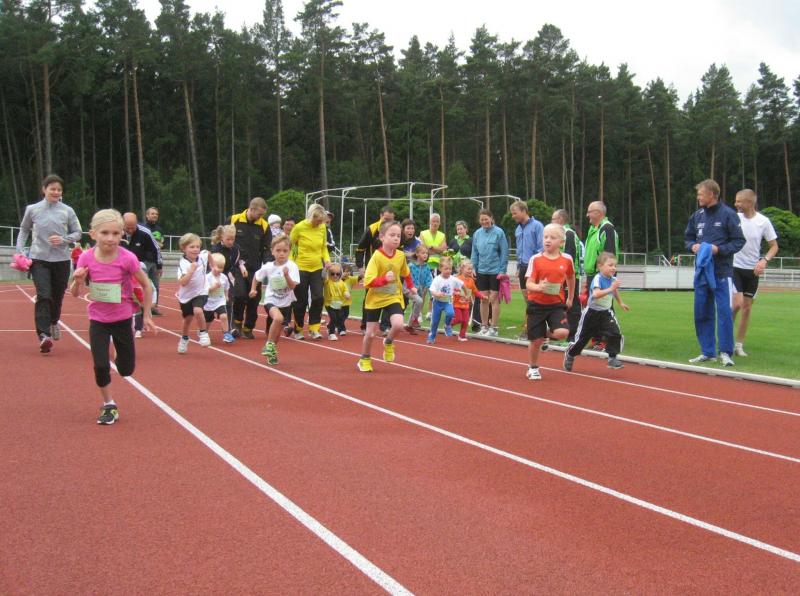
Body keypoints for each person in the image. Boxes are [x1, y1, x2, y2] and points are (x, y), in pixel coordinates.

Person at [69, 209, 154, 425]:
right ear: (93, 234)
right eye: (105, 233)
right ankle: (109, 404)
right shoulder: (86, 258)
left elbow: (147, 285)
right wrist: (77, 281)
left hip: (122, 319)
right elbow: (75, 293)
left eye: (116, 233)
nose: (110, 238)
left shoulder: (128, 258)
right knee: (100, 365)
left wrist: (146, 316)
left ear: (122, 234)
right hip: (98, 320)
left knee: (126, 369)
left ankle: (118, 352)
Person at [16, 174, 83, 353]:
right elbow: (24, 230)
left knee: (57, 296)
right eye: (52, 189)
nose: (56, 192)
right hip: (39, 259)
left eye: (59, 189)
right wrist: (20, 251)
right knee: (44, 295)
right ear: (44, 189)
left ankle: (54, 322)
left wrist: (63, 239)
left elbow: (78, 233)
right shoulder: (32, 209)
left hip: (61, 260)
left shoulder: (67, 210)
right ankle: (44, 335)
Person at [684, 179, 746, 366]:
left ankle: (725, 352)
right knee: (701, 311)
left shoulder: (728, 214)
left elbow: (739, 241)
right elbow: (688, 238)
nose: (698, 197)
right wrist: (693, 246)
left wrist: (719, 250)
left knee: (725, 312)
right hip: (702, 272)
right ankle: (707, 352)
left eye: (700, 194)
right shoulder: (697, 216)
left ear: (711, 194)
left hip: (722, 272)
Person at [358, 220, 417, 372]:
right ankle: (365, 358)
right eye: (392, 235)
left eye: (398, 236)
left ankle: (388, 341)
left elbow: (406, 273)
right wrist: (384, 279)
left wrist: (411, 286)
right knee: (370, 334)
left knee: (398, 324)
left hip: (393, 296)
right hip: (375, 299)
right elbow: (367, 282)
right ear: (382, 237)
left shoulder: (400, 255)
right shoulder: (377, 257)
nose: (396, 238)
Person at [523, 223, 575, 380]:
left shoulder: (567, 259)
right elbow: (528, 283)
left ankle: (543, 332)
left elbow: (571, 277)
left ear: (561, 242)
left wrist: (570, 297)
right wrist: (538, 287)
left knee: (562, 333)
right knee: (536, 341)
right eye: (545, 237)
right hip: (536, 304)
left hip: (556, 304)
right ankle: (533, 367)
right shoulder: (536, 259)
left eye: (552, 237)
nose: (548, 240)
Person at [731, 189, 779, 357]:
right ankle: (725, 340)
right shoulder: (734, 218)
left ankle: (739, 345)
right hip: (735, 267)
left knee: (746, 308)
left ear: (750, 202)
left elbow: (774, 246)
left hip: (753, 271)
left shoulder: (763, 221)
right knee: (736, 304)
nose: (736, 204)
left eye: (739, 201)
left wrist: (764, 261)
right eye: (735, 201)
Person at [563, 252, 629, 373]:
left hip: (606, 313)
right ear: (600, 266)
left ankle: (612, 358)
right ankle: (570, 354)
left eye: (615, 265)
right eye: (610, 265)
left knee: (615, 333)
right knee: (581, 340)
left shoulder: (613, 279)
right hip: (591, 314)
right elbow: (596, 294)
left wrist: (620, 303)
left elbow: (615, 291)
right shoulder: (598, 278)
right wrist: (611, 288)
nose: (613, 268)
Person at [251, 235, 299, 365]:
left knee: (277, 334)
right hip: (271, 299)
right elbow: (256, 276)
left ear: (289, 251)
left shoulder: (292, 266)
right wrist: (253, 289)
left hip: (286, 303)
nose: (281, 253)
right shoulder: (268, 266)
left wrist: (286, 275)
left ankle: (272, 351)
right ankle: (269, 345)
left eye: (285, 251)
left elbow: (292, 286)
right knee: (278, 318)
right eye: (278, 250)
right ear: (272, 251)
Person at [230, 197, 273, 339]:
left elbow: (267, 248)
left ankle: (248, 328)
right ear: (251, 209)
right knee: (240, 295)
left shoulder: (264, 226)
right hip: (237, 266)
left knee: (254, 299)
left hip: (255, 269)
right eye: (259, 214)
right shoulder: (234, 220)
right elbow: (223, 237)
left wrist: (268, 264)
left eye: (263, 215)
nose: (261, 217)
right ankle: (236, 323)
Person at [290, 203, 331, 339]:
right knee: (300, 301)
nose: (319, 223)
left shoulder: (322, 228)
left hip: (317, 267)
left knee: (318, 297)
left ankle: (314, 328)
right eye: (317, 220)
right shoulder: (299, 227)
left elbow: (323, 247)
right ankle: (298, 329)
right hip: (300, 268)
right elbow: (291, 245)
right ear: (311, 216)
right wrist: (290, 264)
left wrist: (327, 260)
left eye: (321, 221)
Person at [355, 205, 395, 331]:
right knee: (370, 297)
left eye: (390, 220)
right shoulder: (371, 229)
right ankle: (365, 325)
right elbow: (360, 249)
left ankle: (385, 326)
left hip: (389, 270)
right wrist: (360, 267)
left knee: (389, 296)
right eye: (386, 219)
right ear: (380, 216)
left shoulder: (394, 230)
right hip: (372, 270)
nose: (388, 222)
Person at [470, 208, 509, 337]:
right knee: (483, 299)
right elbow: (474, 252)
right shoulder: (477, 234)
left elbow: (504, 252)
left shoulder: (499, 232)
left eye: (486, 219)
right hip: (481, 271)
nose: (484, 222)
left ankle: (494, 328)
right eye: (482, 220)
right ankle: (484, 326)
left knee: (494, 299)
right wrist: (473, 267)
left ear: (491, 218)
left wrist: (502, 270)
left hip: (495, 271)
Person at [552, 208, 583, 341]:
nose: (551, 222)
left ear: (560, 220)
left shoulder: (568, 234)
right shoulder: (561, 234)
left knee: (571, 304)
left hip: (569, 276)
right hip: (561, 276)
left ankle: (572, 336)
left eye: (553, 219)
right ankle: (561, 332)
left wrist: (564, 275)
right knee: (560, 304)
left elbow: (569, 257)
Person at [176, 233, 211, 353]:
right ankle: (184, 338)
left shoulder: (202, 256)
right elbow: (183, 282)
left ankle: (203, 333)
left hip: (201, 290)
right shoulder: (183, 264)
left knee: (198, 310)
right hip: (186, 295)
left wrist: (214, 266)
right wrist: (191, 271)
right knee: (188, 319)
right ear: (184, 248)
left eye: (197, 247)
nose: (195, 249)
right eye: (191, 247)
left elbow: (208, 253)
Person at [122, 212, 163, 315]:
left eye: (133, 227)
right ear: (122, 224)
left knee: (149, 286)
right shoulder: (116, 231)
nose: (130, 230)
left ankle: (149, 307)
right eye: (127, 228)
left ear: (137, 223)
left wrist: (159, 266)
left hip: (140, 264)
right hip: (121, 266)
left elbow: (156, 249)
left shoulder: (145, 232)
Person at [583, 201, 619, 297]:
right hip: (593, 276)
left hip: (602, 277)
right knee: (593, 305)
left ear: (598, 213)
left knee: (602, 305)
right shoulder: (593, 229)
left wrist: (605, 278)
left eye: (589, 212)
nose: (587, 215)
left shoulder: (607, 228)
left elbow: (609, 255)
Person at [427, 256, 464, 344]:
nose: (448, 271)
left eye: (450, 269)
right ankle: (432, 336)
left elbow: (462, 285)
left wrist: (466, 294)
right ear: (440, 269)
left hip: (448, 301)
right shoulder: (437, 279)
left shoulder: (453, 279)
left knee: (451, 313)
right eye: (446, 269)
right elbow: (432, 290)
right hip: (437, 302)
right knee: (435, 321)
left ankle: (447, 325)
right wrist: (437, 294)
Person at [452, 259, 485, 342]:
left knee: (465, 321)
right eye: (468, 269)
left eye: (471, 269)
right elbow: (452, 289)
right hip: (457, 304)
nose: (470, 271)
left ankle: (461, 335)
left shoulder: (471, 280)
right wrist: (455, 293)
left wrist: (482, 296)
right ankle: (449, 324)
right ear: (462, 269)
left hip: (466, 305)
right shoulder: (457, 279)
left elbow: (475, 291)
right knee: (459, 319)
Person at [204, 253, 234, 344]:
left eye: (221, 268)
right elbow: (204, 290)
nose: (219, 270)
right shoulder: (207, 277)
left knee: (224, 316)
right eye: (217, 267)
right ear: (210, 265)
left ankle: (226, 333)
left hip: (220, 301)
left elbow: (226, 287)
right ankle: (204, 332)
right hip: (208, 302)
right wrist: (213, 287)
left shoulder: (224, 277)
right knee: (208, 320)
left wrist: (226, 296)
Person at [405, 244, 432, 333]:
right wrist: (409, 287)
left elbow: (429, 280)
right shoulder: (411, 266)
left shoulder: (427, 267)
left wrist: (432, 293)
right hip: (408, 288)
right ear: (417, 254)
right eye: (423, 253)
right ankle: (415, 319)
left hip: (420, 290)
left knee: (416, 305)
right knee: (419, 301)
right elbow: (404, 275)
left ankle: (409, 326)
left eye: (426, 253)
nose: (425, 255)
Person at [144, 206, 165, 315]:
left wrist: (160, 264)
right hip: (144, 261)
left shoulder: (160, 229)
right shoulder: (142, 228)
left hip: (155, 261)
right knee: (144, 284)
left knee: (156, 285)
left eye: (156, 214)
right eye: (152, 214)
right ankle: (143, 306)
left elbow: (162, 245)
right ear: (147, 215)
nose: (155, 215)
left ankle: (154, 307)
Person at [323, 262, 349, 341]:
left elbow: (345, 290)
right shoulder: (328, 282)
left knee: (339, 318)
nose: (335, 276)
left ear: (340, 274)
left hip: (338, 304)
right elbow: (323, 275)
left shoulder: (342, 283)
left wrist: (346, 294)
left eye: (337, 274)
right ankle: (331, 333)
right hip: (329, 304)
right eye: (332, 274)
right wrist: (326, 269)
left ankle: (329, 326)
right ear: (329, 274)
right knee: (333, 317)